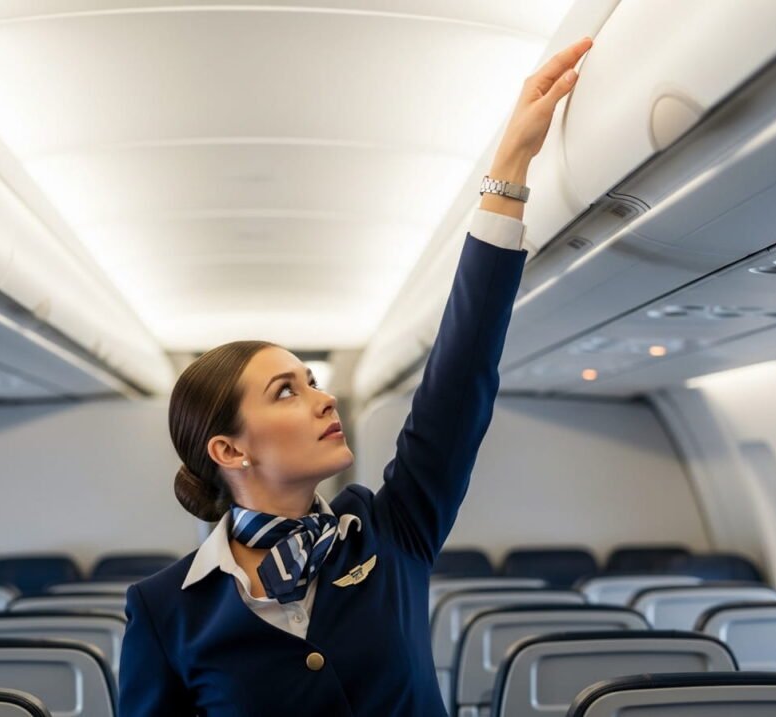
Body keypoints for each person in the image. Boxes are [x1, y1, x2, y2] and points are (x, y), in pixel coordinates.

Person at [118, 36, 594, 717]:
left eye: (312, 381)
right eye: (287, 390)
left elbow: (458, 383)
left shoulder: (387, 528)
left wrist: (509, 168)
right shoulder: (165, 609)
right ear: (229, 448)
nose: (323, 397)